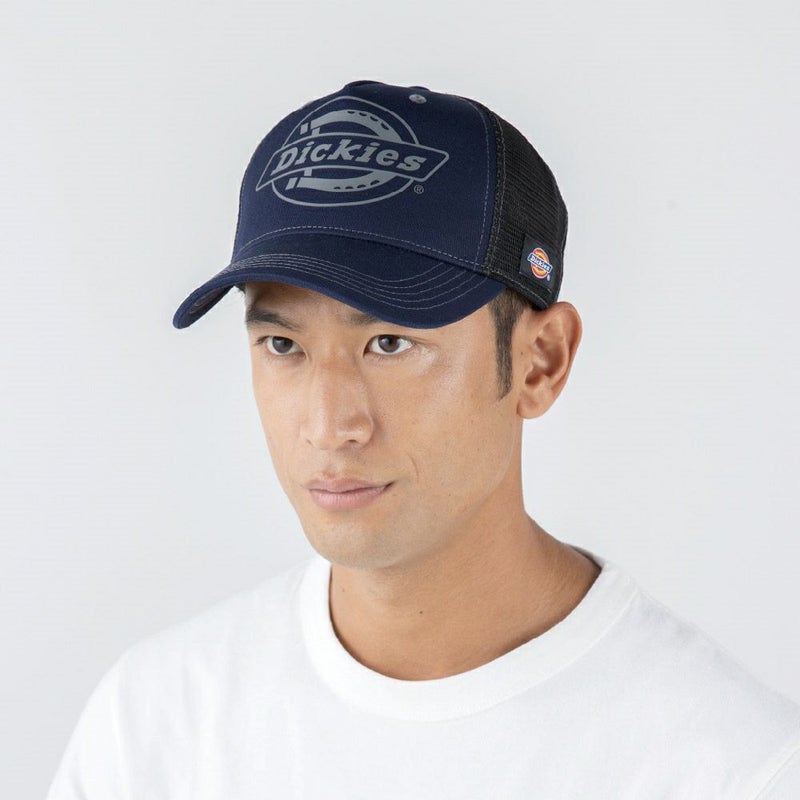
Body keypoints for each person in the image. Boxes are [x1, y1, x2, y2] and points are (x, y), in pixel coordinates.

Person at [47, 80, 800, 799]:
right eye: (283, 345)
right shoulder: (153, 728)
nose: (328, 425)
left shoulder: (732, 769)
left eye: (390, 344)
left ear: (540, 363)